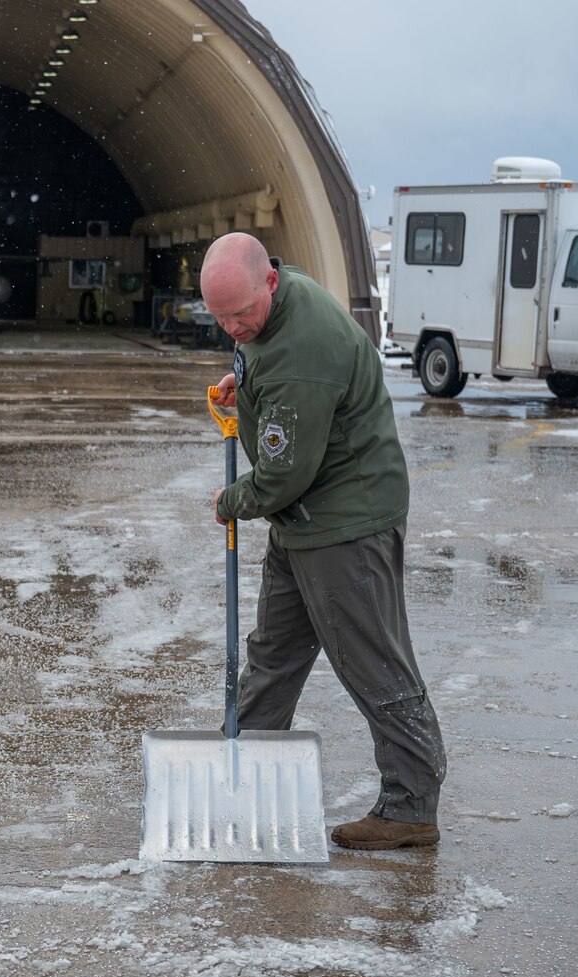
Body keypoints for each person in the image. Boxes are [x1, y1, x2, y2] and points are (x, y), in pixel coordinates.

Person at [201, 233, 446, 850]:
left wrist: (232, 501)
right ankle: (246, 777)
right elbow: (266, 357)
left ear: (270, 283)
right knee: (273, 653)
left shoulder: (304, 356)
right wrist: (244, 381)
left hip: (345, 525)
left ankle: (410, 806)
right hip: (305, 522)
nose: (233, 327)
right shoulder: (276, 309)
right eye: (220, 318)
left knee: (373, 662)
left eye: (241, 314)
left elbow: (283, 476)